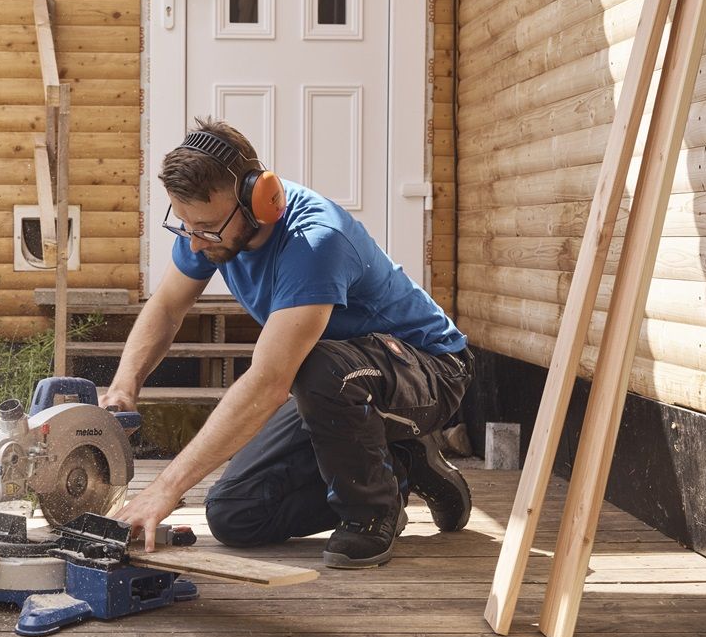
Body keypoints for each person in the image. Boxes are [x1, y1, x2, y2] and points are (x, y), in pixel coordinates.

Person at [100, 117, 474, 569]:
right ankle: (403, 464)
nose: (195, 245)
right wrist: (124, 387)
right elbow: (166, 309)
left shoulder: (315, 241)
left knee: (316, 368)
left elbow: (269, 383)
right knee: (235, 515)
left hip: (431, 370)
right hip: (339, 384)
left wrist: (164, 488)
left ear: (262, 200)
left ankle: (371, 512)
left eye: (206, 229)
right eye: (185, 226)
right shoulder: (206, 230)